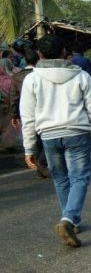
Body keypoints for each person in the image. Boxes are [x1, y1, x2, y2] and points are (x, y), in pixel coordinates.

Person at [19, 34, 91, 247]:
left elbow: (28, 116)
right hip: (77, 133)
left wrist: (29, 148)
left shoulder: (32, 79)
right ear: (64, 53)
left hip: (48, 135)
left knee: (60, 179)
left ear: (40, 54)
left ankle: (71, 219)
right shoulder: (81, 76)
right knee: (79, 178)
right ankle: (69, 219)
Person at [10, 46, 48, 178]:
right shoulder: (43, 74)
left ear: (25, 61)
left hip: (26, 111)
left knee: (34, 137)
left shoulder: (17, 77)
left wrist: (14, 115)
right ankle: (42, 162)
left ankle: (38, 160)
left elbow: (14, 97)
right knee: (44, 137)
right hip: (44, 110)